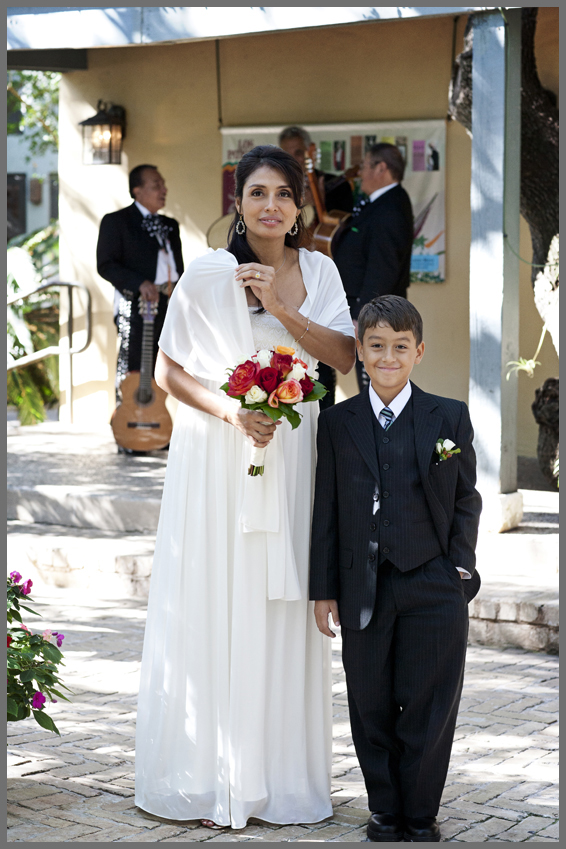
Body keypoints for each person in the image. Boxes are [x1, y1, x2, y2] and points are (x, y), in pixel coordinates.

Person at [135, 145, 356, 829]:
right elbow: (168, 373)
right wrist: (233, 412)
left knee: (280, 601)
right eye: (257, 192)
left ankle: (277, 777)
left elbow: (344, 356)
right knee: (219, 593)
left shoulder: (319, 268)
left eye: (283, 194)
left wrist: (277, 304)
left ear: (299, 207)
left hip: (294, 456)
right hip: (219, 454)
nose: (270, 205)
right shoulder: (207, 272)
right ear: (240, 203)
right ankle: (209, 776)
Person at [309, 295, 482, 843]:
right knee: (370, 701)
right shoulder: (337, 422)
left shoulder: (448, 416)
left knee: (431, 703)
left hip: (433, 580)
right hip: (363, 586)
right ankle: (384, 808)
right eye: (376, 346)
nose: (388, 357)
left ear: (419, 352)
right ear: (358, 350)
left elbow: (465, 499)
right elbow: (327, 509)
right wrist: (323, 588)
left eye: (400, 347)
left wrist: (459, 569)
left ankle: (421, 812)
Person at [279, 125, 354, 409]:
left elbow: (345, 236)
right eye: (287, 153)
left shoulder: (334, 185)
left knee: (322, 353)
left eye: (298, 152)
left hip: (322, 283)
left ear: (309, 153)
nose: (293, 159)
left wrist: (319, 201)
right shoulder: (278, 192)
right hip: (286, 280)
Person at [96, 164, 184, 408]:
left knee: (165, 362)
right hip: (133, 304)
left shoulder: (170, 225)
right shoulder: (117, 221)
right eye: (156, 185)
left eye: (163, 184)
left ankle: (157, 424)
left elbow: (177, 267)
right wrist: (140, 283)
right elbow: (106, 265)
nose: (163, 189)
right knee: (132, 363)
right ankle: (127, 425)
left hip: (168, 303)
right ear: (137, 190)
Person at [332, 144, 414, 392]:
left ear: (381, 168)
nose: (360, 174)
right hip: (367, 312)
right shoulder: (379, 203)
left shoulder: (390, 207)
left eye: (365, 166)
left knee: (378, 389)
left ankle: (383, 433)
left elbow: (382, 267)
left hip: (375, 317)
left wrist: (363, 316)